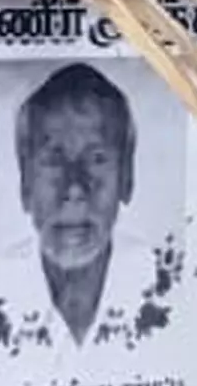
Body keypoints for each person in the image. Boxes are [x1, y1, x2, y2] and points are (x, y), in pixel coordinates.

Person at [9, 60, 141, 342]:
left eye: (97, 159)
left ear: (127, 175)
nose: (74, 189)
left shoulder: (168, 285)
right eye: (53, 161)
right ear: (25, 180)